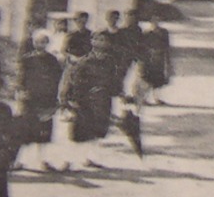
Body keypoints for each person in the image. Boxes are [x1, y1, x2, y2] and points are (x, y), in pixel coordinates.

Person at [57, 31, 119, 169]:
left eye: (104, 40)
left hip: (102, 100)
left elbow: (114, 81)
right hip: (86, 101)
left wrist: (114, 92)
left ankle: (90, 158)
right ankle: (69, 161)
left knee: (98, 130)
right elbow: (75, 82)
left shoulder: (110, 62)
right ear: (92, 41)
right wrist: (74, 100)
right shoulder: (84, 61)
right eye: (97, 39)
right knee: (78, 131)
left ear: (108, 43)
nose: (101, 43)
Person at [17, 30, 63, 172]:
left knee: (44, 131)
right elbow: (21, 79)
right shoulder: (27, 59)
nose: (40, 45)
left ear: (47, 43)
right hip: (30, 99)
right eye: (37, 42)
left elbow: (56, 80)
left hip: (46, 99)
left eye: (43, 42)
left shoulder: (52, 60)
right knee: (26, 130)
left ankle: (43, 160)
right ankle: (19, 161)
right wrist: (21, 93)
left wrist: (55, 99)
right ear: (33, 43)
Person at [134, 13, 173, 107]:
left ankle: (157, 98)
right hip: (150, 59)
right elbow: (143, 47)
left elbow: (166, 46)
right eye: (153, 20)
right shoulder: (146, 33)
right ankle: (144, 99)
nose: (155, 22)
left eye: (157, 20)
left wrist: (167, 60)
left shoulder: (164, 32)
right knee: (147, 79)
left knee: (158, 80)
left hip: (159, 59)